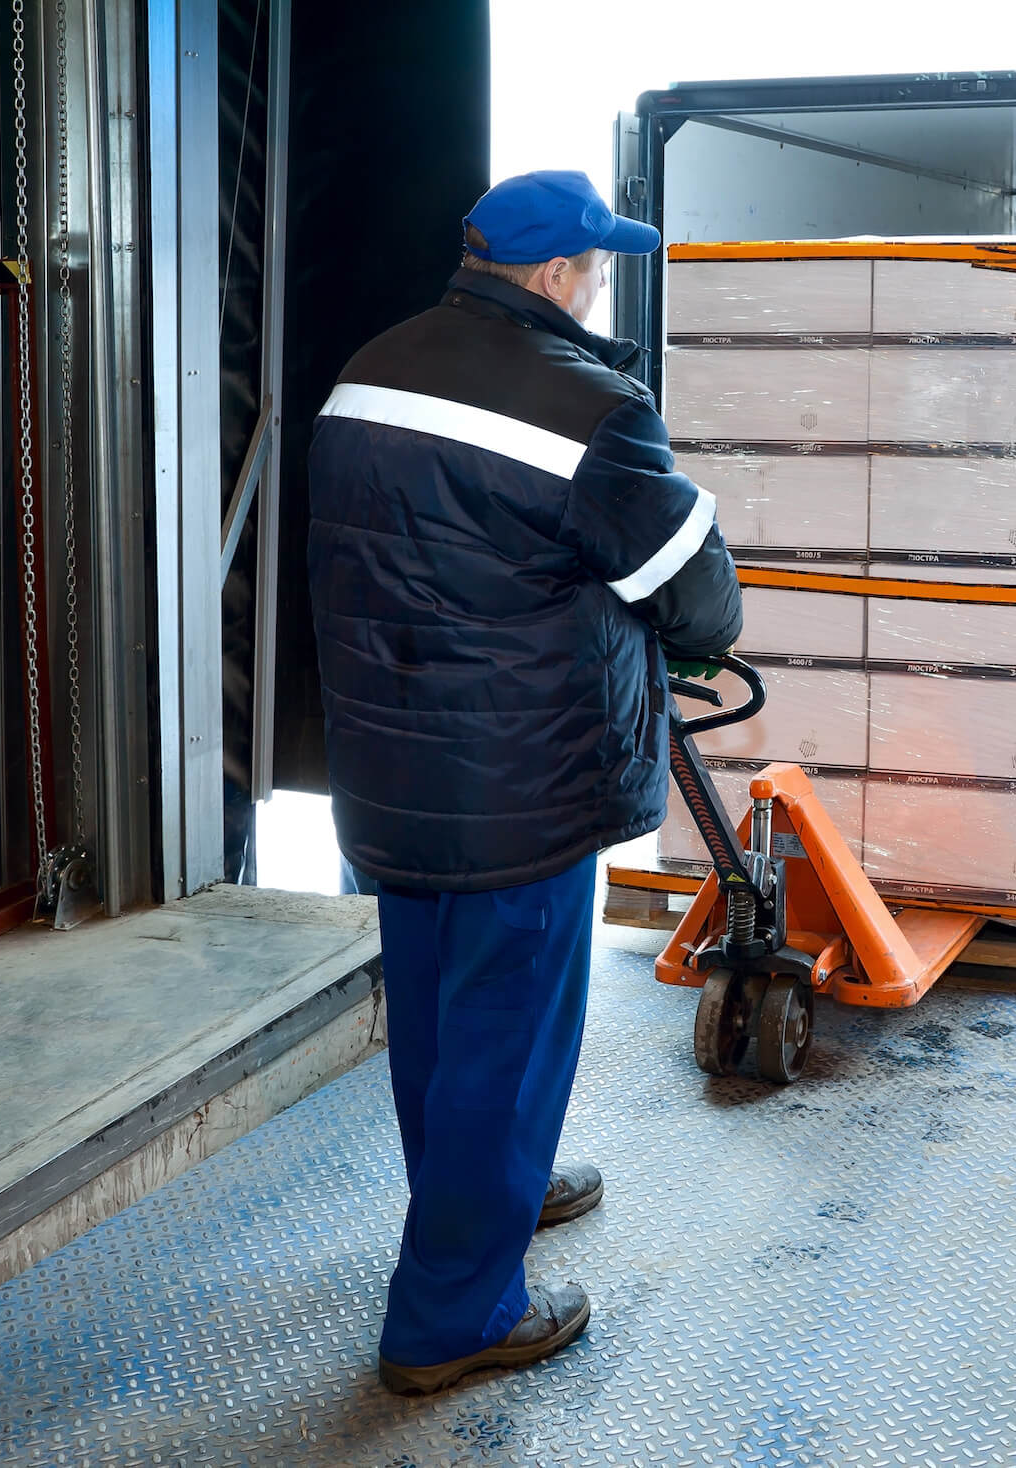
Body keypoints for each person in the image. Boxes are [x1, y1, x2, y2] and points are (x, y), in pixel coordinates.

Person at [306, 170, 742, 1396]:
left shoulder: (370, 365)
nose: (599, 281)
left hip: (392, 767)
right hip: (521, 781)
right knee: (510, 1028)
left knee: (441, 1020)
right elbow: (696, 596)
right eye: (595, 263)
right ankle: (454, 1313)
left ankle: (479, 1192)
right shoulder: (585, 405)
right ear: (557, 275)